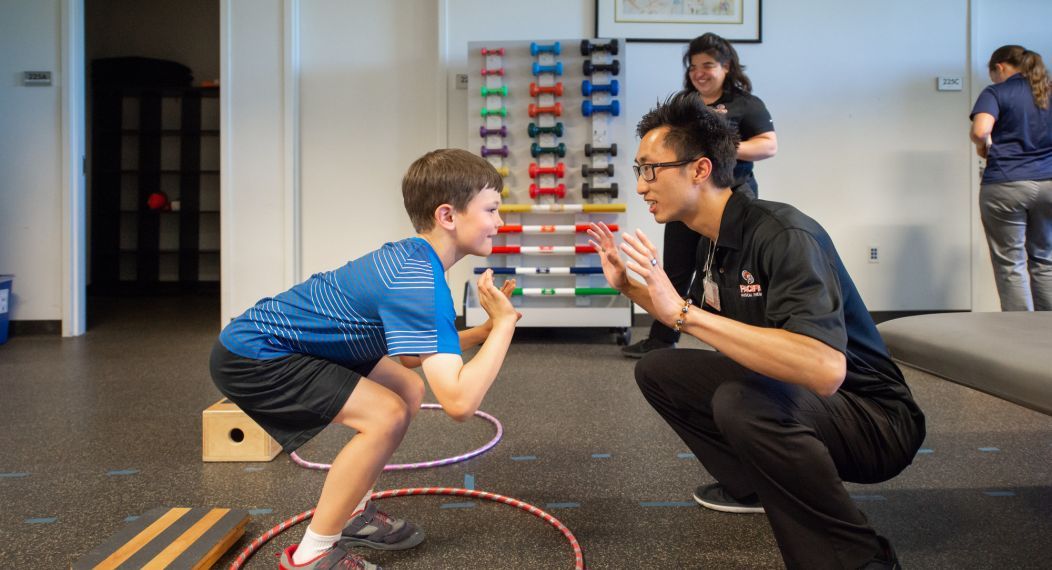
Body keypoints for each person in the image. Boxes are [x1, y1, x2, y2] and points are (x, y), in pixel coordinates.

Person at [588, 92, 925, 569]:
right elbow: (698, 318)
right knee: (659, 370)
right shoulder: (714, 239)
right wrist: (630, 287)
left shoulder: (782, 235)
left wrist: (683, 314)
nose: (641, 185)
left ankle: (859, 558)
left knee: (742, 402)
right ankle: (752, 487)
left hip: (876, 418)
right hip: (812, 397)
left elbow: (825, 368)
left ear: (699, 170)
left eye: (650, 169)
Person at [210, 149, 519, 569]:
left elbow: (412, 357)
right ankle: (310, 557)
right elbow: (460, 404)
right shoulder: (418, 282)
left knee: (405, 388)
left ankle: (352, 512)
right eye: (492, 209)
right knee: (384, 415)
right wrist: (503, 327)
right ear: (448, 216)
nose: (499, 223)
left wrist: (483, 332)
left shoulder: (417, 260)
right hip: (256, 353)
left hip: (303, 344)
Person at [622, 32, 777, 358]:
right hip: (685, 196)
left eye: (707, 65)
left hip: (731, 197)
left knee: (734, 272)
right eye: (693, 67)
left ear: (727, 66)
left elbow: (768, 144)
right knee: (676, 269)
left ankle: (743, 344)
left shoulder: (746, 104)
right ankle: (662, 339)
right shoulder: (687, 103)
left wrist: (721, 147)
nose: (699, 73)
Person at [970, 44, 1052, 311]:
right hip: (1048, 184)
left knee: (1011, 263)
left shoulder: (997, 92)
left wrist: (983, 148)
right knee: (1045, 259)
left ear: (1000, 67)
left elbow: (981, 130)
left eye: (992, 73)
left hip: (1006, 183)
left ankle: (1019, 335)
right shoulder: (1047, 90)